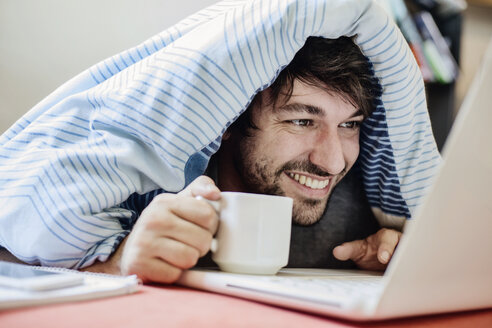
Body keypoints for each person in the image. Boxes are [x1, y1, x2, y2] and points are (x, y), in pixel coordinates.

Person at [81, 37, 401, 283]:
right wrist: (120, 263)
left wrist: (396, 259)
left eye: (349, 125)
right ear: (227, 123)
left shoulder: (366, 207)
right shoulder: (147, 188)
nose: (332, 163)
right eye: (302, 121)